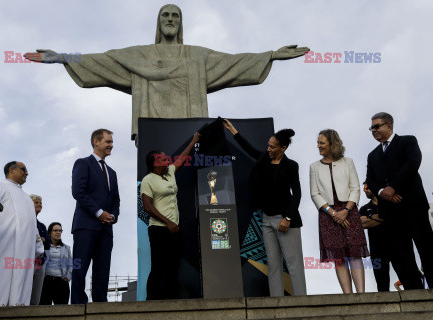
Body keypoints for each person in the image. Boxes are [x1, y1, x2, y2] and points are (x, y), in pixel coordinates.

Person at [24, 4, 309, 141]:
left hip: (192, 132)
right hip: (154, 133)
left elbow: (233, 63)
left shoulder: (197, 55)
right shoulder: (139, 55)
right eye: (165, 15)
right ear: (158, 22)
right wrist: (63, 57)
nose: (170, 20)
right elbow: (103, 61)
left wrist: (270, 54)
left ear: (180, 23)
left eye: (175, 16)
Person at [223, 119, 306, 297]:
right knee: (273, 264)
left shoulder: (291, 166)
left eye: (272, 147)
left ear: (283, 148)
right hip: (266, 220)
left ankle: (302, 302)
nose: (268, 149)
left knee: (293, 263)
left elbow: (297, 193)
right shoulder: (264, 160)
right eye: (268, 146)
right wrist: (233, 131)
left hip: (285, 220)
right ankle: (276, 303)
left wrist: (288, 218)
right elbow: (249, 149)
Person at [365, 112, 433, 289]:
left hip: (414, 206)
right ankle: (414, 292)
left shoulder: (408, 141)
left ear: (389, 125)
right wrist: (382, 191)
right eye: (371, 128)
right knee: (402, 255)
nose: (373, 130)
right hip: (391, 212)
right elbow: (370, 180)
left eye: (377, 126)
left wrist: (393, 187)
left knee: (426, 249)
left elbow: (412, 163)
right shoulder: (372, 155)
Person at [140, 132, 200, 300]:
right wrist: (168, 222)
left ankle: (170, 302)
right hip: (159, 229)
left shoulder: (170, 173)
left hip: (174, 229)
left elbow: (181, 159)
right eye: (164, 159)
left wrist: (193, 141)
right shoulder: (148, 180)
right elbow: (147, 206)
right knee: (158, 267)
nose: (168, 160)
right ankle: (151, 302)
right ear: (155, 162)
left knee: (173, 267)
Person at [0, 161, 42, 306]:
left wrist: (37, 249)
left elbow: (32, 227)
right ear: (11, 170)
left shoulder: (27, 200)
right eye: (24, 169)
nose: (27, 173)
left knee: (20, 291)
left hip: (25, 254)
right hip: (1, 248)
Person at [309, 129, 369, 293]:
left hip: (350, 212)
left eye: (322, 143)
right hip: (328, 216)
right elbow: (315, 194)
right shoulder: (314, 167)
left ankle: (362, 296)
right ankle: (348, 297)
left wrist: (346, 211)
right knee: (338, 257)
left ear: (332, 144)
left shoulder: (348, 162)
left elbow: (355, 189)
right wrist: (333, 213)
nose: (318, 146)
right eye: (318, 142)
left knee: (355, 254)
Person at [71, 129, 120, 303]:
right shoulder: (83, 163)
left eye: (111, 142)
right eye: (108, 142)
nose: (111, 145)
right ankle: (77, 304)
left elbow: (116, 199)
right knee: (80, 267)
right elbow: (78, 192)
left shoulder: (112, 173)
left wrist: (112, 216)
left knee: (103, 270)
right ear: (96, 142)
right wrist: (99, 213)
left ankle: (101, 304)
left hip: (106, 229)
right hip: (86, 226)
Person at [359, 184, 391, 292]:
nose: (365, 190)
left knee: (407, 275)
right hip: (377, 248)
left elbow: (396, 217)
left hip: (396, 244)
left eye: (367, 187)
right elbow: (362, 224)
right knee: (382, 283)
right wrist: (381, 217)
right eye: (363, 188)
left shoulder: (389, 203)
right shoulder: (364, 208)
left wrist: (373, 217)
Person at [40, 222, 72, 305]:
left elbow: (71, 264)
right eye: (56, 230)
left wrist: (68, 277)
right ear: (50, 233)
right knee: (44, 309)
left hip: (61, 282)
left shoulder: (66, 248)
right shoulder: (44, 246)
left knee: (62, 310)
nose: (58, 232)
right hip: (46, 281)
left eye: (60, 230)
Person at [30, 194, 51, 305]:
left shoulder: (42, 226)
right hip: (27, 260)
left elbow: (47, 243)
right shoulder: (26, 221)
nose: (39, 205)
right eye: (36, 202)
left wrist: (41, 240)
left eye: (40, 203)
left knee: (36, 291)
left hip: (40, 261)